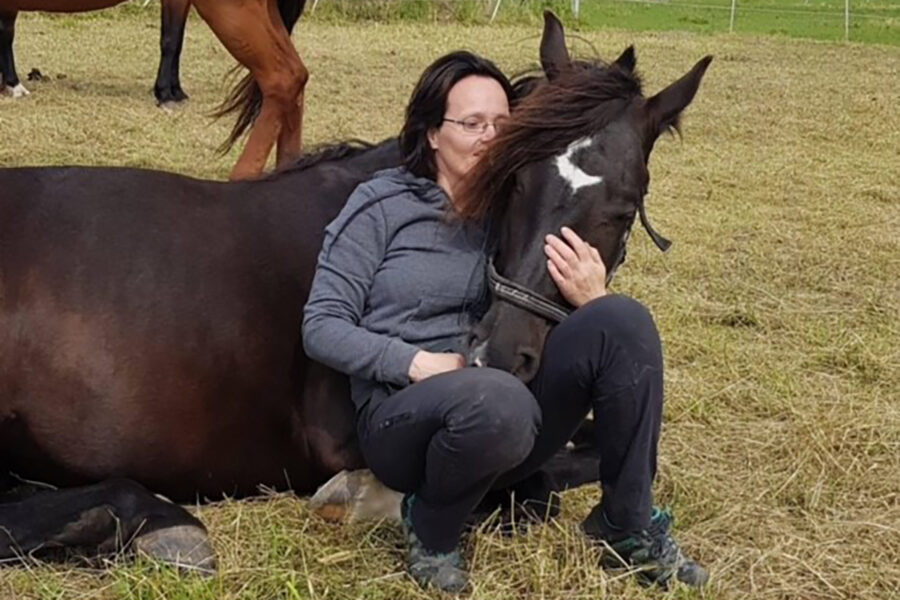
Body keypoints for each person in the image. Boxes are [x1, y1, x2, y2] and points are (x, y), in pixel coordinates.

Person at [302, 51, 707, 593]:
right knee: (499, 399)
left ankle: (627, 522)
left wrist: (593, 297)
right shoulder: (381, 205)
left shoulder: (518, 203)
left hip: (510, 420)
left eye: (502, 123)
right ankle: (432, 527)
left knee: (624, 320)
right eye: (471, 124)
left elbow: (581, 188)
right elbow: (322, 324)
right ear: (430, 134)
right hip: (405, 417)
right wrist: (419, 364)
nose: (490, 137)